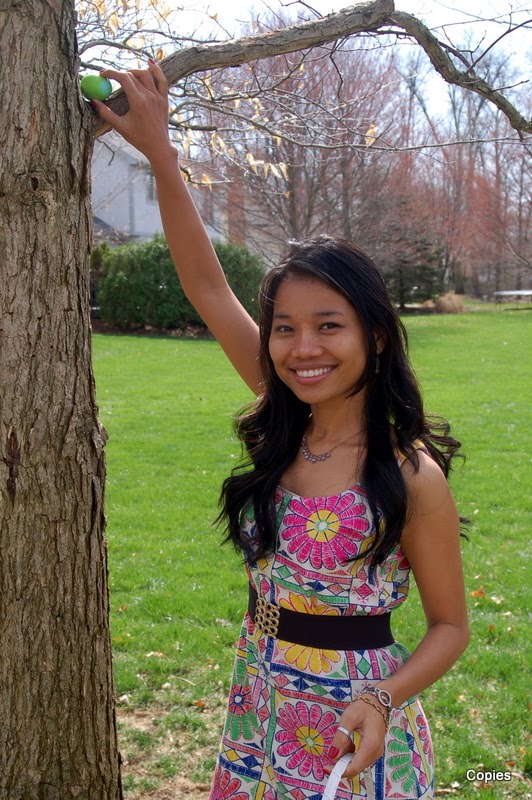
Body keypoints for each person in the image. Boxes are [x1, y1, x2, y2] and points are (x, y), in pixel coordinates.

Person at [92, 61, 469, 800]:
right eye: (285, 328)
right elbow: (208, 287)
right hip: (260, 696)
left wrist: (384, 698)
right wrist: (161, 155)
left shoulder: (408, 474)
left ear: (375, 337)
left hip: (355, 725)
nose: (304, 349)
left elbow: (450, 626)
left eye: (329, 326)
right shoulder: (283, 416)